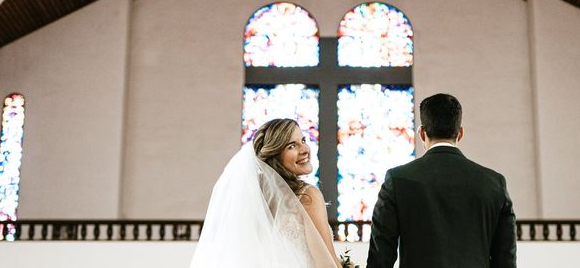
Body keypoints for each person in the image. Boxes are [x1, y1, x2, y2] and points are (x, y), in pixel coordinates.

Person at [367, 93, 517, 268]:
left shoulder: (397, 180)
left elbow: (380, 259)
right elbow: (506, 260)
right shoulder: (494, 183)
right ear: (460, 133)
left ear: (422, 133)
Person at [189, 118, 343, 267]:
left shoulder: (253, 200)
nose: (304, 150)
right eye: (291, 146)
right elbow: (327, 263)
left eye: (303, 141)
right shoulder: (308, 196)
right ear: (274, 155)